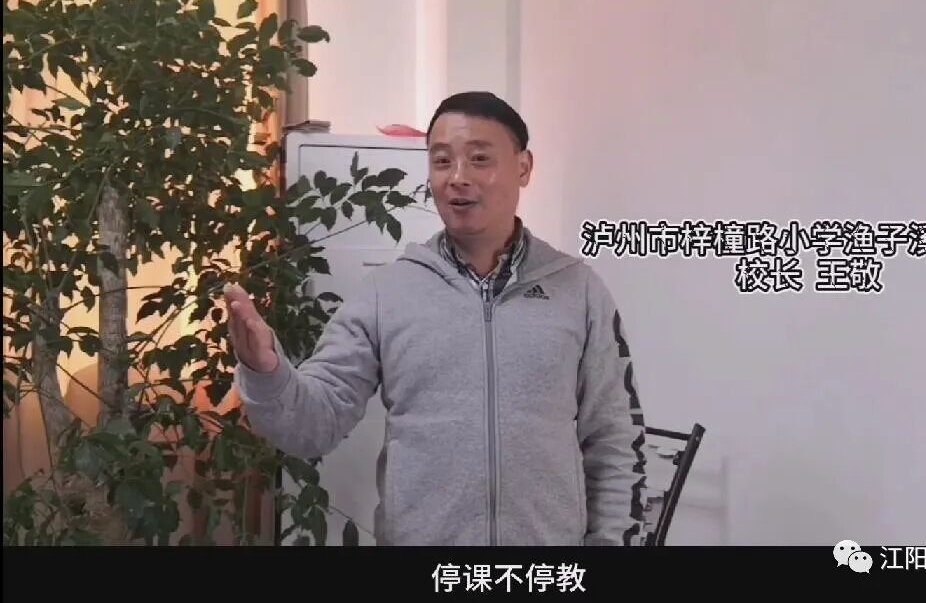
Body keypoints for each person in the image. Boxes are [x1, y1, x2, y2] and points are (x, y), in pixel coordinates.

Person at [225, 91, 649, 546]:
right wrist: (266, 372)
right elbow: (314, 424)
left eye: (480, 158)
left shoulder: (577, 290)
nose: (457, 178)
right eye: (442, 161)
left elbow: (615, 440)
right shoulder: (388, 293)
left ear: (524, 167)